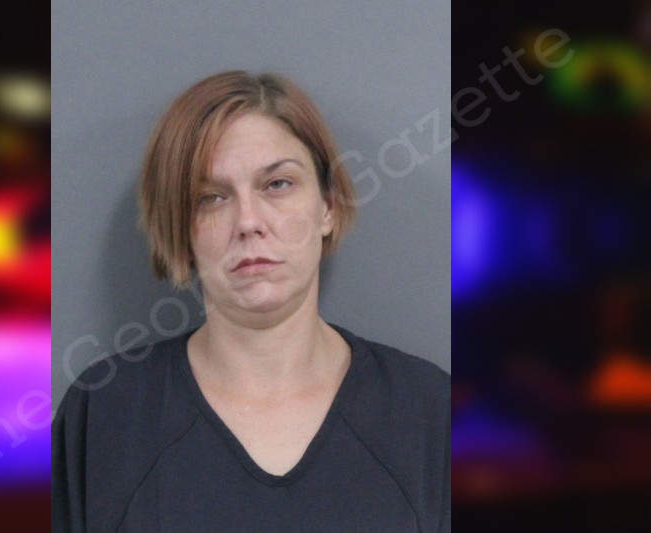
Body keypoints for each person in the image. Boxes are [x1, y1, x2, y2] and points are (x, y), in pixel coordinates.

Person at [52, 70, 450, 532]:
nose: (248, 221)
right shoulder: (105, 417)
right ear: (180, 227)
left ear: (327, 205)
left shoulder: (430, 415)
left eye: (277, 184)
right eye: (210, 197)